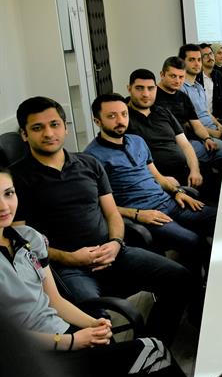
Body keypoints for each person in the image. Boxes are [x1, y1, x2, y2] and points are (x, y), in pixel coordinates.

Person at [0, 166, 191, 377]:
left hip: (64, 335)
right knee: (154, 351)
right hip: (33, 361)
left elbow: (55, 301)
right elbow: (9, 340)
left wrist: (93, 324)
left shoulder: (29, 238)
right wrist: (71, 341)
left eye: (8, 193)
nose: (4, 206)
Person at [10, 97, 193, 345]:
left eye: (54, 124)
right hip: (67, 267)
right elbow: (21, 243)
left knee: (180, 278)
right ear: (24, 134)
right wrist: (70, 258)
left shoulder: (88, 163)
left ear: (65, 127)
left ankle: (151, 347)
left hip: (112, 251)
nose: (49, 133)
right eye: (37, 128)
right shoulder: (15, 180)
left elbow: (112, 213)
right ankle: (122, 360)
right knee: (98, 323)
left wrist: (116, 242)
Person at [84, 94, 216, 273]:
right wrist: (138, 214)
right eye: (112, 116)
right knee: (195, 241)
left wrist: (177, 192)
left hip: (170, 202)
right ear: (97, 121)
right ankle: (204, 285)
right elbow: (97, 205)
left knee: (220, 219)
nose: (120, 120)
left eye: (124, 114)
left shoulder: (137, 141)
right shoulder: (91, 158)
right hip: (147, 214)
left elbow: (157, 176)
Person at [125, 68, 205, 190]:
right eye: (139, 88)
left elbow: (185, 145)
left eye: (150, 88)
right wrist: (161, 180)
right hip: (155, 183)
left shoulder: (163, 112)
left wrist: (195, 170)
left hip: (185, 174)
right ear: (129, 88)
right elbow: (128, 162)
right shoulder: (123, 118)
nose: (146, 94)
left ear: (156, 89)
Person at [155, 56, 222, 168]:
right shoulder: (152, 95)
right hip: (170, 145)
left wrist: (207, 138)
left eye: (181, 77)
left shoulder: (182, 96)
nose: (177, 81)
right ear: (162, 75)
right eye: (173, 76)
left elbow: (196, 124)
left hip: (191, 139)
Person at [178, 43, 222, 141]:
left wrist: (219, 125)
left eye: (199, 60)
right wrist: (213, 133)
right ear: (182, 62)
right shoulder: (180, 89)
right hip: (202, 137)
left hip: (215, 129)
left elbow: (206, 111)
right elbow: (185, 123)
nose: (197, 64)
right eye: (192, 60)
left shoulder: (199, 87)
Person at [199, 42, 222, 121]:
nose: (210, 57)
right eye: (205, 55)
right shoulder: (196, 79)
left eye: (211, 54)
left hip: (219, 118)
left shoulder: (219, 75)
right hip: (202, 121)